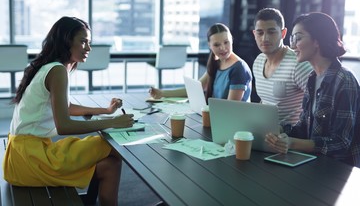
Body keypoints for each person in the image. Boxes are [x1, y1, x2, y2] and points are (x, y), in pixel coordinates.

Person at [2, 16, 135, 205]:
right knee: (108, 146)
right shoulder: (57, 71)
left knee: (111, 165)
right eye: (83, 42)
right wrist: (113, 123)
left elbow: (67, 107)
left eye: (89, 43)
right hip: (32, 158)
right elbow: (63, 126)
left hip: (22, 155)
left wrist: (105, 110)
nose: (88, 48)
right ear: (66, 41)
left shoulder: (51, 67)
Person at [265, 12, 360, 167]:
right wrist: (279, 129)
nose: (292, 45)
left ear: (317, 41)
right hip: (314, 164)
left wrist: (292, 143)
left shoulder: (345, 80)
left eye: (298, 38)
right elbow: (304, 127)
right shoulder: (312, 78)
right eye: (292, 39)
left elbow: (341, 144)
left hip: (339, 171)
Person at [149, 23, 252, 102]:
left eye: (226, 42)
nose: (223, 48)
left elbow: (231, 109)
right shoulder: (217, 63)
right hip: (219, 119)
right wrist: (161, 93)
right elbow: (195, 89)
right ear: (209, 45)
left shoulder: (239, 68)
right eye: (216, 45)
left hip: (232, 124)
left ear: (232, 40)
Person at [252, 8, 313, 126]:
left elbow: (317, 104)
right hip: (263, 132)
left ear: (283, 33)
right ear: (254, 34)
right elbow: (265, 101)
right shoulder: (258, 61)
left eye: (271, 32)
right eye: (260, 33)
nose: (265, 38)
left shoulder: (298, 64)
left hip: (288, 139)